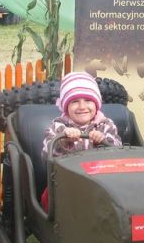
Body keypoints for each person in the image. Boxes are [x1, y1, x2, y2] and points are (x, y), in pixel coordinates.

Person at [40, 72, 122, 209]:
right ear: (66, 106)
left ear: (96, 104)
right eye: (74, 102)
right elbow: (46, 154)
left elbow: (118, 150)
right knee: (52, 193)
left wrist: (102, 141)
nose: (82, 106)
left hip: (101, 183)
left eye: (88, 101)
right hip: (66, 183)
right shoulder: (58, 126)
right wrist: (64, 141)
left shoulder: (106, 125)